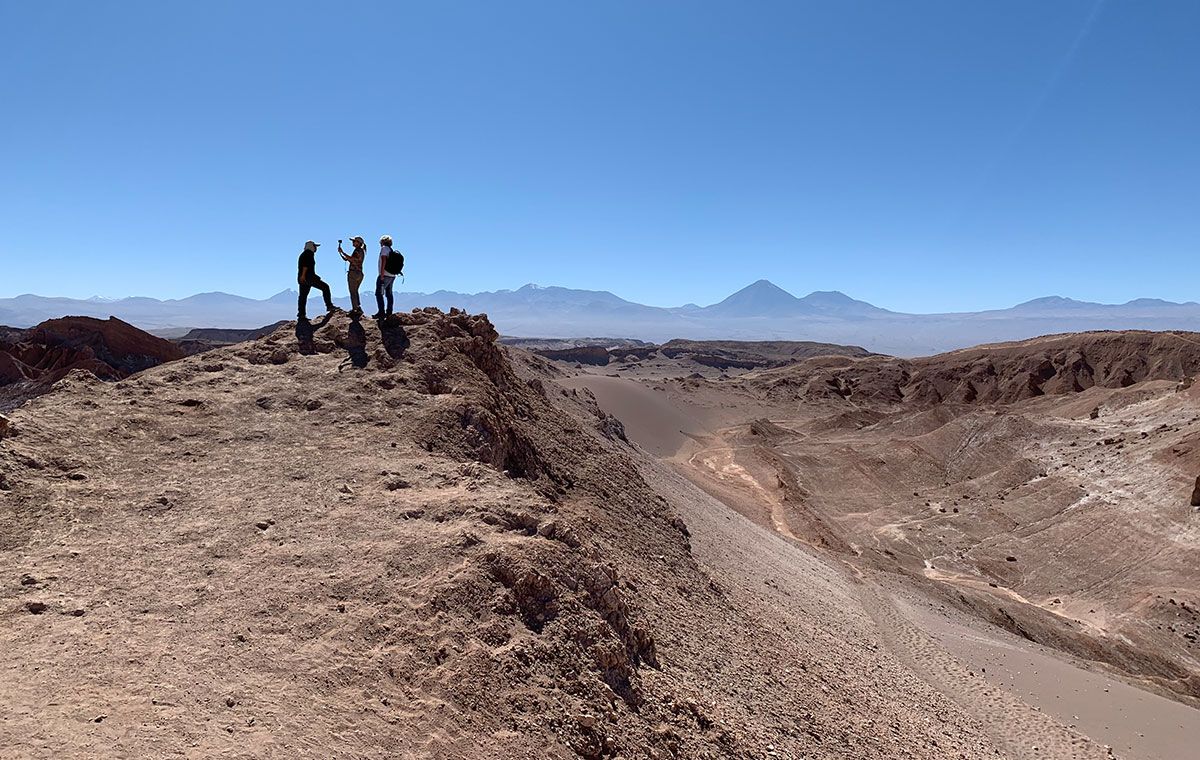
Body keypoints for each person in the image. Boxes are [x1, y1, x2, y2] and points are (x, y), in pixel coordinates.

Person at [297, 240, 335, 321]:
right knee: (325, 287)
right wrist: (304, 276)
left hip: (303, 278)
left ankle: (301, 315)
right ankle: (329, 306)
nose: (316, 248)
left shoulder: (303, 254)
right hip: (308, 278)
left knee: (303, 296)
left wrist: (302, 277)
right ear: (311, 246)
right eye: (315, 246)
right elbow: (305, 266)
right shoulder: (309, 254)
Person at [373, 234, 401, 320]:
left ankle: (381, 312)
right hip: (392, 275)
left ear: (382, 241)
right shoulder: (390, 250)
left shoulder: (384, 248)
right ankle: (389, 312)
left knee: (379, 293)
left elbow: (384, 261)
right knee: (389, 294)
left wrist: (381, 275)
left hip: (384, 275)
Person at [339, 236, 366, 316]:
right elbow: (353, 259)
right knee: (355, 291)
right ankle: (358, 307)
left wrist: (343, 252)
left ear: (358, 243)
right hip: (359, 273)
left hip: (353, 273)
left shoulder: (357, 251)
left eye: (354, 241)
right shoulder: (361, 251)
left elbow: (352, 259)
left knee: (352, 292)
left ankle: (355, 310)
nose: (353, 242)